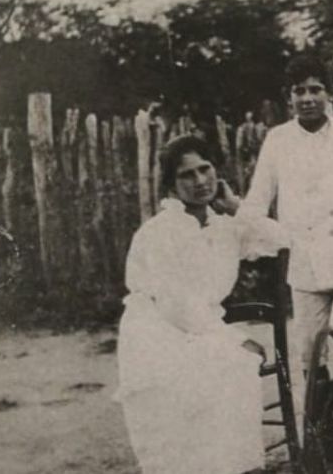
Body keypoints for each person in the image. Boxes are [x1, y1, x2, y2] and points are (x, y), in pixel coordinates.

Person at [116, 136, 285, 474]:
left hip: (198, 328)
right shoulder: (161, 232)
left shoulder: (225, 226)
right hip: (155, 330)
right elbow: (176, 304)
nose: (199, 182)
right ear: (171, 186)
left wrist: (236, 206)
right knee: (214, 373)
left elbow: (280, 240)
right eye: (187, 176)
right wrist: (234, 339)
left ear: (217, 172)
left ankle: (234, 467)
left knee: (231, 368)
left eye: (205, 169)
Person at [239, 54, 333, 421]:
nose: (308, 98)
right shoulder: (278, 141)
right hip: (307, 266)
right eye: (300, 91)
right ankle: (321, 432)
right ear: (289, 98)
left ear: (330, 94)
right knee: (310, 354)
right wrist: (275, 237)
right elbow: (256, 201)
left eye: (316, 89)